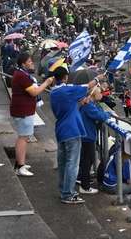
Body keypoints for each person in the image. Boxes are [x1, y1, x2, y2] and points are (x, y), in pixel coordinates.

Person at [49, 66, 101, 204]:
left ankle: (64, 190)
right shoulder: (67, 90)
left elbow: (68, 106)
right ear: (65, 77)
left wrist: (79, 103)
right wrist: (97, 79)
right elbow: (88, 86)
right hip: (72, 130)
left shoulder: (53, 93)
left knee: (63, 163)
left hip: (61, 130)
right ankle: (68, 194)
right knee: (72, 164)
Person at [9, 52, 53, 177]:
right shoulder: (21, 76)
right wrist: (46, 83)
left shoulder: (21, 74)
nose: (31, 63)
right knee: (23, 137)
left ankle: (20, 163)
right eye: (29, 61)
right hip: (23, 110)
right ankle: (20, 166)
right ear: (23, 63)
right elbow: (34, 92)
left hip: (23, 109)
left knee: (24, 136)